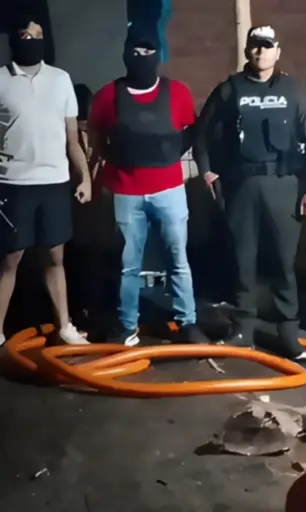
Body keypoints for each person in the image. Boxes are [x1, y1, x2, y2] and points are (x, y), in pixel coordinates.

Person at [193, 25, 306, 361]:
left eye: (267, 46)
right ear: (247, 50)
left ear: (277, 51)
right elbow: (201, 134)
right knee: (243, 259)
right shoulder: (229, 89)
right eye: (255, 46)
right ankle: (244, 330)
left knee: (283, 261)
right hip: (242, 187)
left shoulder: (292, 90)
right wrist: (207, 171)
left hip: (284, 186)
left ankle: (288, 332)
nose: (261, 52)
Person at [88, 23, 208, 346]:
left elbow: (192, 131)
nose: (141, 56)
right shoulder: (108, 95)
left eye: (148, 50)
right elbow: (96, 135)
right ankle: (127, 326)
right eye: (136, 50)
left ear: (158, 54)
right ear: (126, 53)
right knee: (128, 266)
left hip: (170, 191)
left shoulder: (177, 92)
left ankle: (187, 322)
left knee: (178, 261)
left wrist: (174, 157)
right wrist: (110, 159)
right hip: (126, 193)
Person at [0, 18, 91, 347]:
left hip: (54, 182)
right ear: (14, 39)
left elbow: (72, 138)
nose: (32, 40)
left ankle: (64, 326)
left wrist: (85, 178)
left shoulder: (60, 80)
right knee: (10, 259)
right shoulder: (1, 79)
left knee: (55, 257)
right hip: (13, 184)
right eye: (25, 35)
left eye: (38, 35)